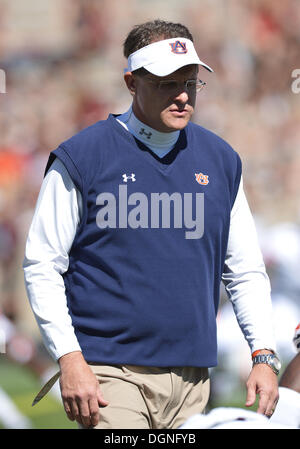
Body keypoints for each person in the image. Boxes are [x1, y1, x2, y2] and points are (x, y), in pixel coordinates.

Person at [23, 19, 279, 429]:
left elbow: (245, 270)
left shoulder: (222, 160)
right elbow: (42, 264)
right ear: (131, 82)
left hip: (194, 380)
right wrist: (70, 358)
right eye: (165, 83)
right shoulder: (82, 157)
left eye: (191, 82)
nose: (182, 95)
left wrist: (263, 354)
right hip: (110, 376)